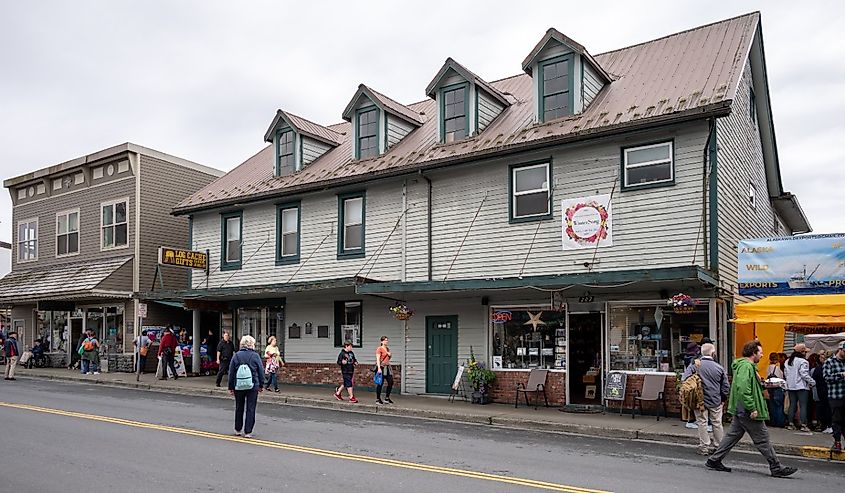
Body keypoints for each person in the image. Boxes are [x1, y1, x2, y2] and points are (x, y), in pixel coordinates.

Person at [706, 340, 797, 478]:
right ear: (753, 353)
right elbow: (743, 389)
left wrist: (760, 384)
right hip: (747, 410)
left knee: (732, 436)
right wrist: (752, 407)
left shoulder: (744, 366)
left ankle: (714, 459)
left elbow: (745, 386)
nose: (762, 355)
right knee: (762, 438)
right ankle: (776, 466)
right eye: (760, 352)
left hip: (741, 408)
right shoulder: (747, 367)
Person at [682, 343, 729, 455]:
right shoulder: (719, 368)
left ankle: (704, 447)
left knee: (702, 422)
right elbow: (725, 386)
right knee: (717, 423)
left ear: (701, 353)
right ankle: (719, 446)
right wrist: (723, 398)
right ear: (713, 353)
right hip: (715, 399)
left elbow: (685, 379)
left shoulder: (695, 365)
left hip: (699, 400)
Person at [228, 335, 264, 438]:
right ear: (251, 344)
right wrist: (261, 385)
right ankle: (248, 431)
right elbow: (261, 371)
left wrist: (231, 387)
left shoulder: (236, 356)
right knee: (250, 408)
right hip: (253, 385)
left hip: (238, 386)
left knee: (239, 407)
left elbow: (231, 372)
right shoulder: (255, 356)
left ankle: (238, 429)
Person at [784, 343, 815, 432]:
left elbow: (786, 374)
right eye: (805, 352)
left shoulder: (788, 361)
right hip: (801, 386)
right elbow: (804, 374)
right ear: (802, 352)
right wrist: (812, 382)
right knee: (803, 405)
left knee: (792, 405)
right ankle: (803, 424)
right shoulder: (803, 361)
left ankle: (790, 423)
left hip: (790, 386)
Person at [822, 341, 845, 452]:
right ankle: (837, 442)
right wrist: (841, 375)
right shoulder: (829, 362)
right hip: (835, 396)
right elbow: (826, 378)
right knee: (836, 420)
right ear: (840, 350)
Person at [764, 351, 787, 428]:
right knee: (779, 405)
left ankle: (773, 421)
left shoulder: (768, 368)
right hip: (777, 388)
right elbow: (781, 377)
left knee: (772, 405)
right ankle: (779, 422)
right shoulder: (777, 368)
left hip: (770, 388)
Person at [375, 336, 394, 404]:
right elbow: (378, 359)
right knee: (380, 383)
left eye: (387, 340)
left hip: (387, 367)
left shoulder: (387, 349)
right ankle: (378, 398)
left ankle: (387, 398)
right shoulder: (379, 349)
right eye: (385, 340)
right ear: (381, 341)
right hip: (382, 367)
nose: (386, 341)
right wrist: (379, 368)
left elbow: (388, 359)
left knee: (391, 382)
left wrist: (390, 355)